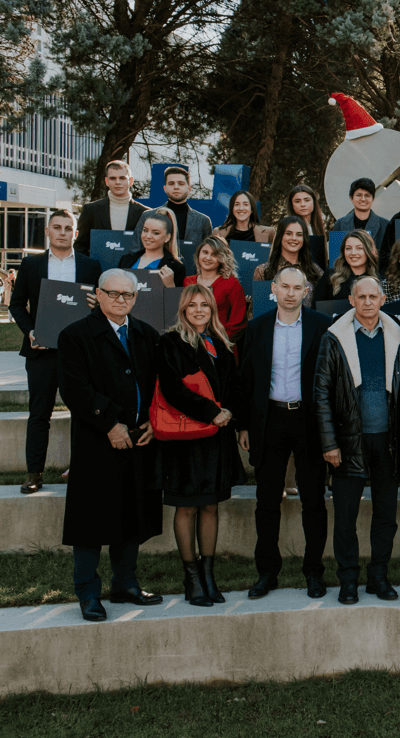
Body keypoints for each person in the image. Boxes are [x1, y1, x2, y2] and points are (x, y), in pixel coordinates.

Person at [58, 270, 162, 622]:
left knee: (131, 513)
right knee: (90, 521)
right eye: (113, 293)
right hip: (96, 440)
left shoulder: (146, 335)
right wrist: (109, 424)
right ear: (98, 295)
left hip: (139, 438)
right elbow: (74, 389)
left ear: (135, 298)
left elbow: (157, 384)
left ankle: (125, 584)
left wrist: (153, 420)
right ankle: (88, 592)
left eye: (127, 294)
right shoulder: (75, 335)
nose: (120, 300)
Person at [235, 266, 333, 600]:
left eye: (297, 288)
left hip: (308, 421)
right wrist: (244, 425)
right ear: (273, 289)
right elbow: (246, 379)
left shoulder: (322, 326)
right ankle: (267, 572)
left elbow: (331, 378)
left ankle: (314, 572)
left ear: (306, 292)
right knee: (266, 501)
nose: (291, 293)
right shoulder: (257, 328)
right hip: (270, 420)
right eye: (285, 287)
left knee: (313, 502)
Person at [313, 276, 400, 605]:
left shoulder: (397, 336)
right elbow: (321, 394)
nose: (367, 302)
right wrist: (329, 443)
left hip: (387, 442)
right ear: (351, 301)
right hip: (348, 442)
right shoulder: (334, 338)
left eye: (373, 296)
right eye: (361, 297)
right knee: (345, 517)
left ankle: (378, 576)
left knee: (386, 516)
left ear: (382, 299)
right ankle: (348, 579)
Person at [153, 285, 245, 607]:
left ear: (212, 309)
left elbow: (234, 384)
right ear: (183, 310)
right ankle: (191, 578)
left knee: (210, 506)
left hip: (217, 437)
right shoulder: (170, 342)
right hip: (187, 438)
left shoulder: (221, 342)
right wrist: (211, 412)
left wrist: (229, 411)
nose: (199, 310)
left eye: (204, 305)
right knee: (187, 507)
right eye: (192, 305)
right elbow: (173, 389)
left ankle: (208, 575)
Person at [11, 210, 101, 493]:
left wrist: (96, 305)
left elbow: (102, 306)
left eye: (68, 228)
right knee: (39, 413)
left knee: (83, 412)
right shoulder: (31, 264)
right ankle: (34, 473)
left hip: (79, 352)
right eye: (57, 227)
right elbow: (16, 305)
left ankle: (82, 468)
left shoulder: (90, 265)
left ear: (75, 233)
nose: (62, 232)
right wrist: (30, 331)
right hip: (42, 350)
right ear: (48, 231)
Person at [74, 159, 149, 255]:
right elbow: (80, 246)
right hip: (98, 265)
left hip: (134, 265)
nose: (117, 182)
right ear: (106, 181)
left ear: (131, 181)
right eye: (113, 178)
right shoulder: (90, 210)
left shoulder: (145, 213)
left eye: (122, 178)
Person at [187, 237, 247, 340]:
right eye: (205, 252)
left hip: (220, 342)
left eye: (214, 254)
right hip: (191, 342)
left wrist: (218, 341)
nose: (208, 258)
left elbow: (238, 322)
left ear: (222, 258)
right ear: (198, 255)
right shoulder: (188, 281)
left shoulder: (231, 283)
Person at [119, 208, 186, 287]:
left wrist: (170, 285)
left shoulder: (176, 267)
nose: (148, 236)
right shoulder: (126, 260)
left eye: (155, 233)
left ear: (167, 237)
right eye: (145, 230)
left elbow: (178, 295)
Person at [253, 215, 323, 289]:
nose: (294, 238)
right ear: (280, 237)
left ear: (304, 239)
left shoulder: (315, 270)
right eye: (288, 233)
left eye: (299, 235)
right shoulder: (263, 270)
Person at [313, 229, 379, 302]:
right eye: (348, 248)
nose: (353, 253)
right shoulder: (331, 276)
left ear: (368, 251)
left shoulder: (379, 278)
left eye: (359, 248)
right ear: (343, 251)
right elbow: (316, 306)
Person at [330, 177, 390, 253]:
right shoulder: (339, 224)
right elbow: (335, 256)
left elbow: (389, 256)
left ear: (373, 198)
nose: (363, 199)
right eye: (359, 195)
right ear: (351, 198)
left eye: (367, 195)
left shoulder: (385, 225)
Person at [161, 165, 214, 247]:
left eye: (181, 184)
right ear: (165, 188)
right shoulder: (149, 216)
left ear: (189, 188)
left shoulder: (203, 221)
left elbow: (208, 250)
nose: (176, 187)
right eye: (171, 183)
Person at [288, 183, 329, 270]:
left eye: (307, 200)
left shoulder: (318, 227)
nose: (303, 204)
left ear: (314, 202)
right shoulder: (287, 227)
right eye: (297, 201)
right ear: (292, 205)